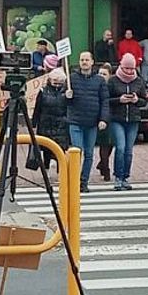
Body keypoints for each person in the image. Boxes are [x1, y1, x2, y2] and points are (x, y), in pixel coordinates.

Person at [66, 51, 109, 193]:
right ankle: (74, 180)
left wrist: (103, 119)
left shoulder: (99, 81)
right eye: (81, 59)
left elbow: (104, 101)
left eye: (86, 60)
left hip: (92, 122)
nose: (84, 62)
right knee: (76, 152)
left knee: (89, 154)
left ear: (92, 62)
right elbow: (63, 100)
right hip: (76, 121)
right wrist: (66, 96)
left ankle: (83, 181)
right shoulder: (71, 79)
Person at [107, 53, 148, 191]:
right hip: (117, 118)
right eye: (127, 69)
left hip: (133, 118)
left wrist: (137, 100)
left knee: (129, 150)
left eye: (132, 69)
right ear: (121, 67)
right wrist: (119, 100)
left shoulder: (139, 81)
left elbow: (145, 100)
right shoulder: (113, 80)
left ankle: (125, 177)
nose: (130, 72)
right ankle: (118, 177)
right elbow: (106, 100)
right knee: (120, 147)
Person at [30, 68, 69, 172]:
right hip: (45, 123)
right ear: (50, 80)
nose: (57, 85)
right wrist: (33, 124)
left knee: (61, 149)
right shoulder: (43, 91)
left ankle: (60, 172)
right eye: (55, 82)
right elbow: (37, 108)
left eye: (60, 83)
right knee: (46, 148)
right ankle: (46, 169)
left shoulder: (67, 92)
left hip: (61, 123)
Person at [95, 63, 114, 180]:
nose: (102, 76)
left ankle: (102, 164)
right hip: (100, 118)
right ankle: (105, 170)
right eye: (100, 73)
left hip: (113, 117)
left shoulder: (112, 86)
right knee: (104, 144)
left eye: (104, 74)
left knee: (111, 144)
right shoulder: (95, 86)